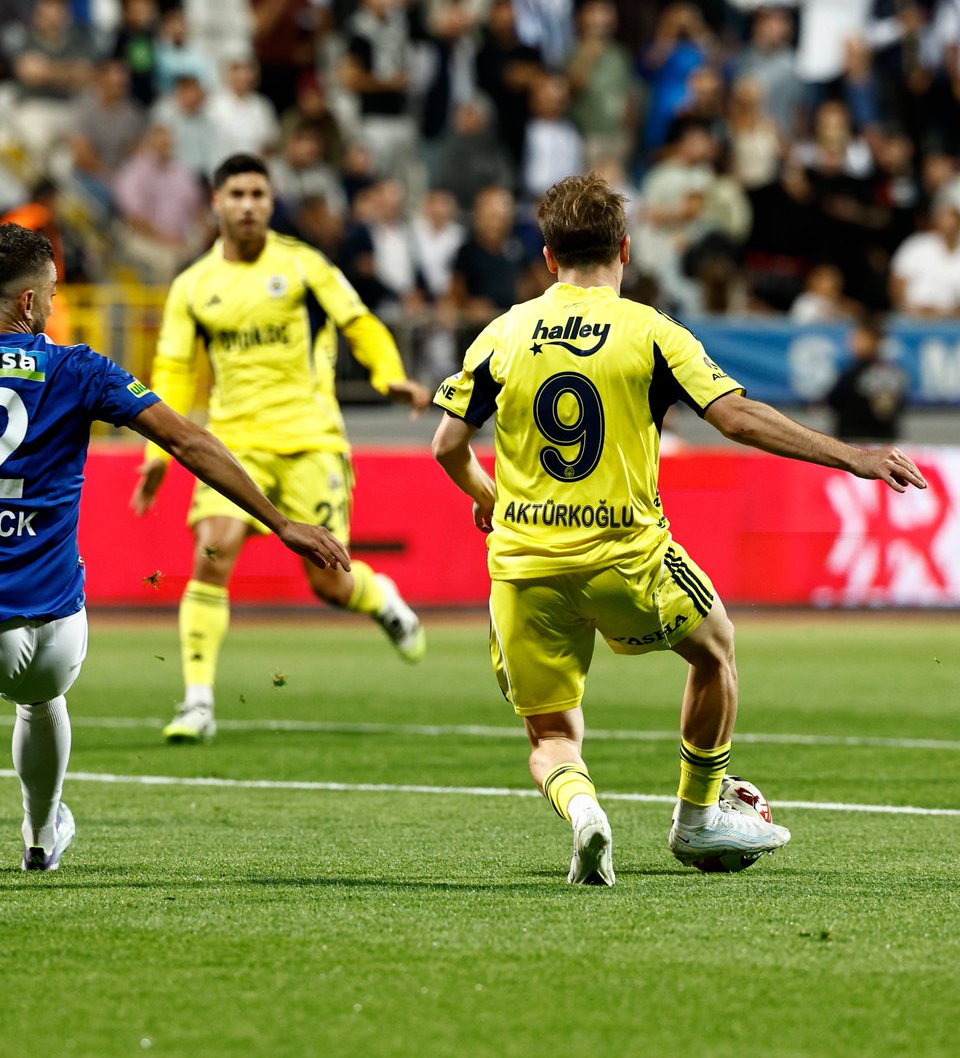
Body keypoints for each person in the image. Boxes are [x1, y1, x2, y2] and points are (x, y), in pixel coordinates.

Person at [430, 173, 927, 886]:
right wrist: (852, 456)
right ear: (625, 250)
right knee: (715, 649)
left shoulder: (502, 333)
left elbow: (447, 444)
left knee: (551, 735)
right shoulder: (650, 331)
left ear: (546, 257)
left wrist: (486, 495)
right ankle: (696, 817)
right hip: (626, 559)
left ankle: (585, 815)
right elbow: (737, 418)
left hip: (524, 564)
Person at [0, 222, 349, 872]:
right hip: (48, 624)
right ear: (28, 302)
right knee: (41, 700)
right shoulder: (79, 369)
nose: (51, 305)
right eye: (48, 294)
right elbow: (189, 441)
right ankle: (42, 835)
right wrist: (280, 522)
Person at [131, 153, 431, 743]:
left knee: (329, 582)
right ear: (216, 202)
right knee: (211, 553)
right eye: (237, 194)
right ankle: (196, 701)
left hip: (310, 441)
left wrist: (387, 373)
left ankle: (380, 597)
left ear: (271, 203)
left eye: (259, 195)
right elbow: (171, 369)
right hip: (235, 445)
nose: (248, 205)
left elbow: (359, 321)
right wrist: (154, 457)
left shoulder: (301, 265)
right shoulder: (193, 285)